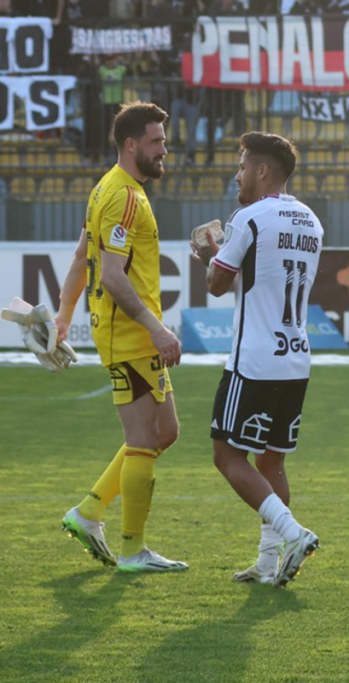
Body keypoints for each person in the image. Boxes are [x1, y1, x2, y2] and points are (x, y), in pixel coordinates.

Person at [54, 102, 187, 574]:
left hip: (125, 332)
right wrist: (156, 327)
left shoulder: (107, 189)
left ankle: (89, 513)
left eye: (164, 141)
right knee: (143, 437)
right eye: (156, 141)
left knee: (164, 431)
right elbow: (110, 275)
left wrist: (63, 317)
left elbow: (79, 258)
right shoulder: (124, 196)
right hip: (129, 334)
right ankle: (133, 549)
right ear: (131, 144)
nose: (163, 149)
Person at [191, 132, 323, 587]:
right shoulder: (310, 219)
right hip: (296, 357)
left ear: (263, 171)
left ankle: (293, 532)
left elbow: (217, 283)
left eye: (243, 165)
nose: (237, 173)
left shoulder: (248, 218)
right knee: (273, 462)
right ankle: (268, 562)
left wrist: (211, 253)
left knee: (227, 456)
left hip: (253, 360)